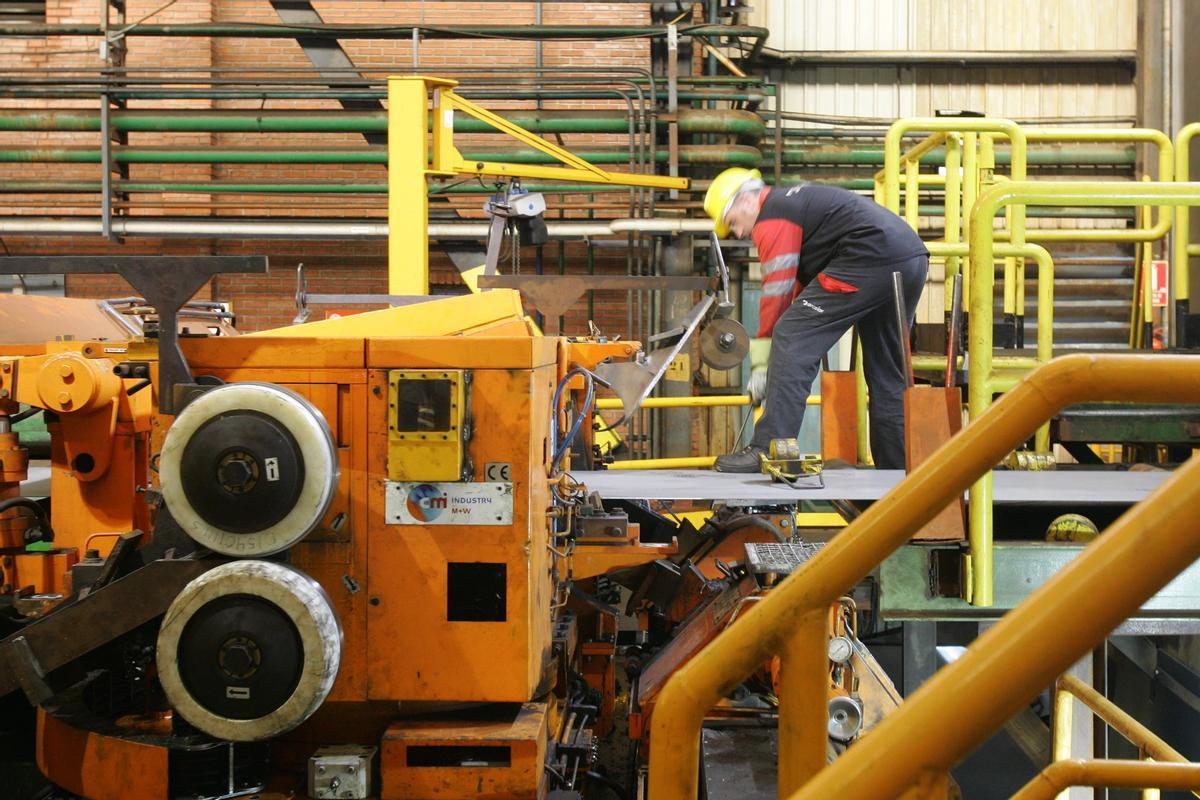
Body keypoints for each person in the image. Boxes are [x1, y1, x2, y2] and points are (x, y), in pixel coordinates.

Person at [703, 168, 929, 472]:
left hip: (869, 256)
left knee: (793, 334)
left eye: (733, 222)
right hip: (909, 257)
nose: (740, 233)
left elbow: (778, 289)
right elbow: (799, 288)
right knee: (886, 372)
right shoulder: (798, 205)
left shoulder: (772, 216)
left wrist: (760, 362)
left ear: (745, 200)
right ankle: (898, 470)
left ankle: (767, 448)